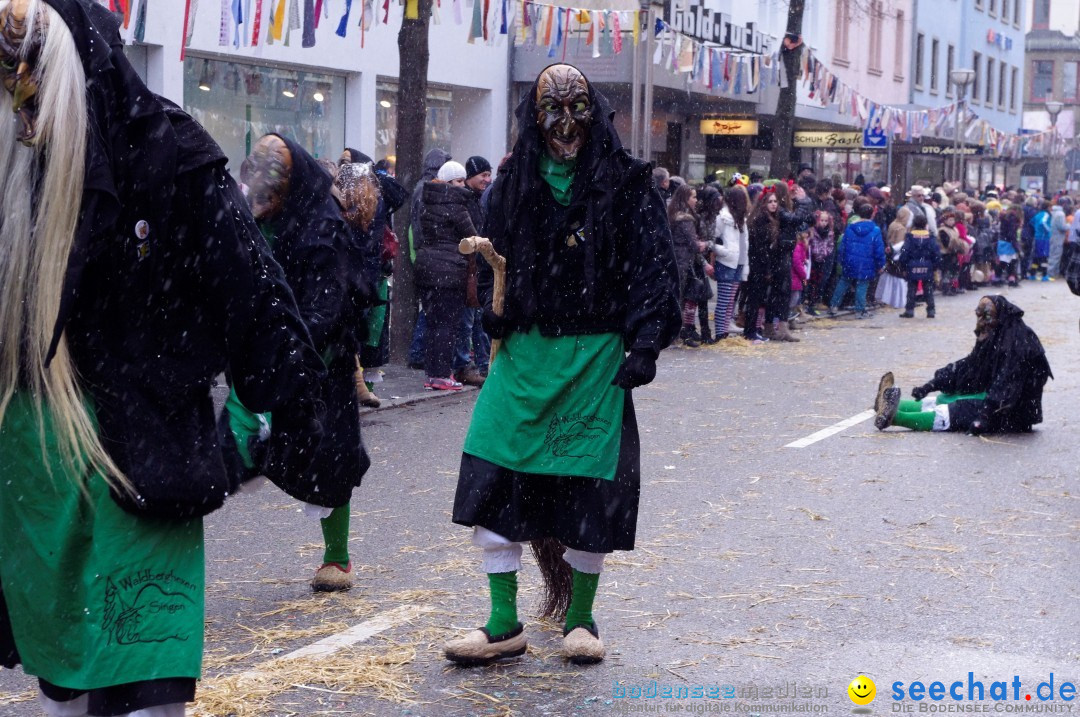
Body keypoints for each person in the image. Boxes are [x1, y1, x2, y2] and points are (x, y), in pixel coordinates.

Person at [0, 3, 326, 715]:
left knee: (142, 674)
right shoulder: (12, 168)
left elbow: (248, 286)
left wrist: (287, 394)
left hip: (140, 446)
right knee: (64, 672)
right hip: (38, 453)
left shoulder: (169, 152)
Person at [445, 63, 680, 666]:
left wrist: (646, 344)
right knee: (494, 471)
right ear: (536, 116)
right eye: (554, 109)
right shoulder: (512, 183)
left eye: (578, 108)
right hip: (524, 357)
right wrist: (495, 315)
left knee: (588, 489)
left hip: (595, 358)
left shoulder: (627, 185)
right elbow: (496, 263)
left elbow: (655, 270)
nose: (566, 123)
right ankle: (503, 622)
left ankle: (581, 617)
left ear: (594, 113)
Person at [230, 134, 375, 594]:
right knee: (278, 445)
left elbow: (328, 304)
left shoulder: (322, 226)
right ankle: (248, 459)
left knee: (332, 461)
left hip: (321, 361)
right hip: (277, 355)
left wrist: (293, 343)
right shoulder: (260, 220)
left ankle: (338, 558)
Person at [875, 296, 1052, 434]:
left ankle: (896, 417)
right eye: (979, 316)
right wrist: (932, 384)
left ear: (1000, 317)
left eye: (987, 317)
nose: (982, 322)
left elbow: (1007, 382)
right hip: (997, 398)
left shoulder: (1018, 342)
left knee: (960, 409)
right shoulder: (995, 335)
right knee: (950, 398)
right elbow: (968, 366)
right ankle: (886, 405)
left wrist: (984, 415)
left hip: (1014, 411)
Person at [416, 160, 481, 391]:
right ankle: (443, 374)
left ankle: (433, 374)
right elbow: (473, 237)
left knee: (433, 324)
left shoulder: (427, 200)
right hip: (449, 269)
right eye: (459, 180)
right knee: (447, 325)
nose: (463, 185)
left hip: (427, 267)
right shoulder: (455, 203)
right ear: (448, 181)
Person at [407, 148, 454, 370]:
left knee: (432, 309)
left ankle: (419, 352)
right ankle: (417, 351)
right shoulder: (427, 188)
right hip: (428, 251)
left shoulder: (423, 187)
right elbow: (421, 223)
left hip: (426, 251)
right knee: (434, 310)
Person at [452, 156, 495, 386]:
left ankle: (482, 364)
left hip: (476, 265)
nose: (487, 180)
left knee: (478, 319)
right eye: (483, 175)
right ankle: (465, 365)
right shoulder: (466, 201)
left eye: (489, 175)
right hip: (468, 265)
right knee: (468, 320)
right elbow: (471, 233)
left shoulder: (477, 199)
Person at [828, 202, 885, 318]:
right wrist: (880, 264)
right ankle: (860, 310)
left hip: (850, 260)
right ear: (872, 214)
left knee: (844, 282)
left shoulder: (850, 227)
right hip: (867, 262)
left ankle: (834, 305)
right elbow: (878, 249)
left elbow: (843, 245)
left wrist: (842, 260)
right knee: (862, 284)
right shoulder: (875, 230)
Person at [708, 185, 749, 340]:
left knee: (731, 300)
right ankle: (719, 333)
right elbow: (712, 238)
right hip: (727, 262)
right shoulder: (723, 218)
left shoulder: (742, 219)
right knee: (724, 300)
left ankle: (724, 329)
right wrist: (724, 251)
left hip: (739, 262)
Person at [668, 183, 705, 347]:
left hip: (675, 261)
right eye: (693, 196)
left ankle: (675, 333)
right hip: (682, 262)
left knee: (676, 299)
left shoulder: (673, 214)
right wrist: (707, 244)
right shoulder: (685, 219)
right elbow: (693, 244)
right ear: (686, 198)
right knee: (679, 300)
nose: (696, 200)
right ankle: (675, 335)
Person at [897, 214, 940, 318]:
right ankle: (931, 310)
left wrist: (903, 265)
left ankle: (910, 310)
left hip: (912, 265)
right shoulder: (930, 237)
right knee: (928, 289)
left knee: (911, 289)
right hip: (927, 265)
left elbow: (904, 252)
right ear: (926, 224)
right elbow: (936, 253)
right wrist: (935, 265)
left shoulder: (910, 237)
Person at [804, 210, 836, 315]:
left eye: (826, 221)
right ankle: (807, 303)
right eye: (822, 220)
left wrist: (825, 252)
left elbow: (830, 245)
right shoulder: (812, 231)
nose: (824, 223)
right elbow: (807, 244)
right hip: (812, 260)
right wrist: (813, 251)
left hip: (822, 260)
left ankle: (813, 303)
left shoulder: (829, 233)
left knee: (817, 282)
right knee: (809, 282)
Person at [1029, 200, 1052, 281]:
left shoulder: (1038, 214)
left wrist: (1036, 229)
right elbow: (1043, 222)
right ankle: (1044, 275)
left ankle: (1032, 274)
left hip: (1037, 237)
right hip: (1044, 238)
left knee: (1036, 257)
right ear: (1048, 207)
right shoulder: (1046, 214)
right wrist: (1048, 230)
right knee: (1044, 257)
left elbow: (1031, 222)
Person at [1049, 200, 1069, 279]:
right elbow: (1062, 227)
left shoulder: (1052, 212)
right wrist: (1069, 225)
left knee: (1052, 254)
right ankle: (1052, 273)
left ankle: (1052, 272)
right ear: (1064, 204)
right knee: (1056, 255)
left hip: (1052, 235)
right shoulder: (1061, 214)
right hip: (1058, 237)